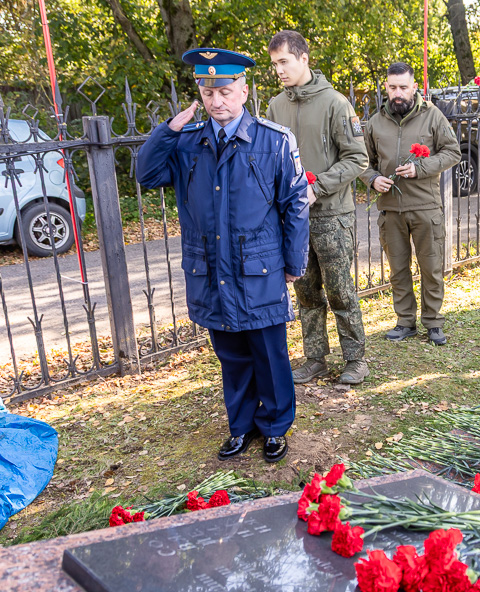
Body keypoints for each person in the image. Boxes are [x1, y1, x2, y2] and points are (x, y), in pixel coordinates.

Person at [136, 48, 309, 464]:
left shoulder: (274, 140)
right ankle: (241, 427)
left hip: (259, 270)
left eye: (226, 91)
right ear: (200, 92)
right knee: (231, 357)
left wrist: (293, 263)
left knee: (270, 356)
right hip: (211, 272)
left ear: (244, 91)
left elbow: (296, 202)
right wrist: (167, 132)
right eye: (209, 92)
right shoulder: (186, 145)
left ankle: (275, 428)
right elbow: (145, 175)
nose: (217, 101)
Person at [264, 30, 370, 386]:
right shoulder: (275, 106)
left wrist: (317, 186)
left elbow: (357, 158)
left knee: (340, 290)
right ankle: (315, 359)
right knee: (306, 292)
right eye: (274, 64)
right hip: (292, 220)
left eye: (284, 62)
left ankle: (356, 359)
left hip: (332, 215)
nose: (279, 70)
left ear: (303, 58)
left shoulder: (336, 103)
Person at [362, 62, 461, 345]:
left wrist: (422, 167)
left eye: (403, 87)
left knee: (431, 266)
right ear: (386, 87)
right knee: (398, 268)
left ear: (414, 87)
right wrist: (372, 180)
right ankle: (405, 322)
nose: (398, 93)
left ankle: (433, 322)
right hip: (390, 208)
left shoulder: (432, 116)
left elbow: (453, 152)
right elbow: (362, 162)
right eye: (392, 87)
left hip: (425, 206)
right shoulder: (375, 121)